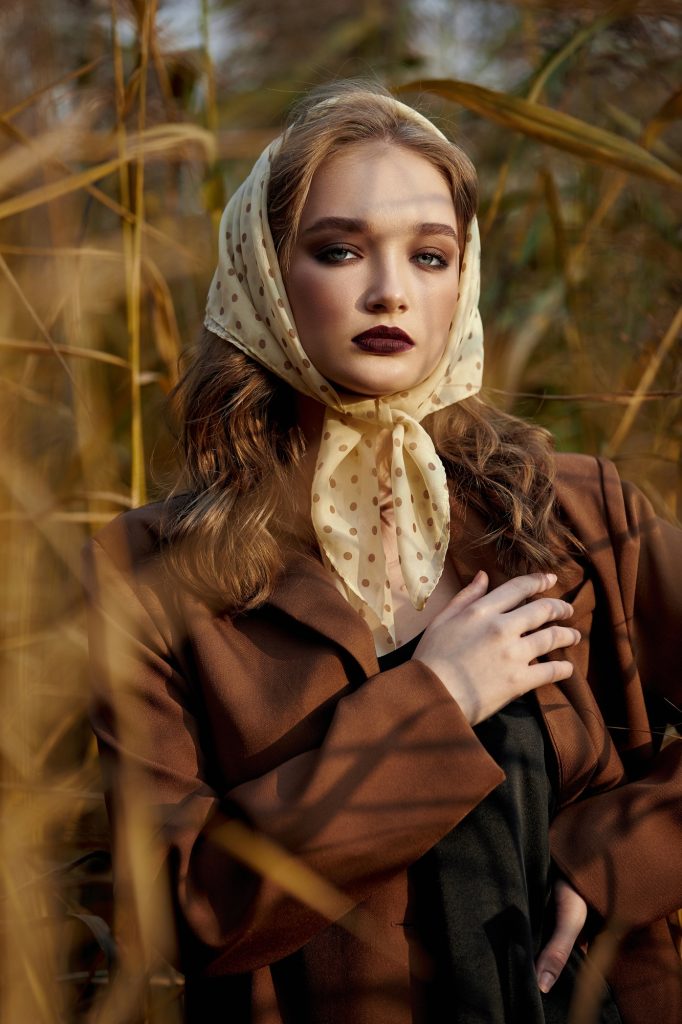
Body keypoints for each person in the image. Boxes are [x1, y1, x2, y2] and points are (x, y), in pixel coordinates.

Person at [83, 83, 682, 1024]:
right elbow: (177, 906)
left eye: (429, 255)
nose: (391, 290)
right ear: (263, 272)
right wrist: (436, 702)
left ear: (462, 280)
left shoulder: (579, 509)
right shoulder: (152, 567)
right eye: (340, 250)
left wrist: (624, 855)